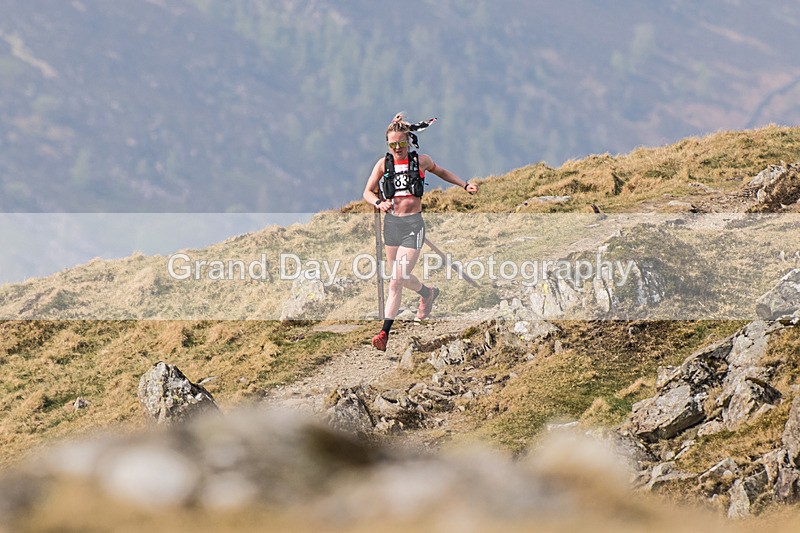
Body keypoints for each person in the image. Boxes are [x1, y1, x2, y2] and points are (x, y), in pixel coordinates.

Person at [363, 113, 478, 352]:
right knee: (400, 276)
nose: (397, 148)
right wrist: (378, 203)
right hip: (391, 225)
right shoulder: (383, 164)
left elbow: (442, 172)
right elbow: (368, 192)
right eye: (392, 145)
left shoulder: (421, 161)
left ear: (409, 141)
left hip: (413, 226)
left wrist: (465, 185)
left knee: (395, 281)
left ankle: (384, 333)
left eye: (401, 143)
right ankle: (427, 293)